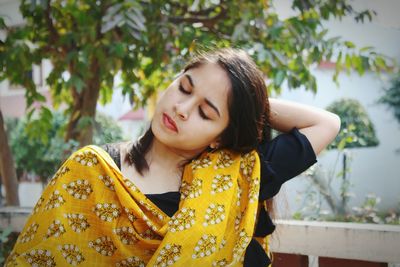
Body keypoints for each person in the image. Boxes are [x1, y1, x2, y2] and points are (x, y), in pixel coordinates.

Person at [6, 48, 340, 267]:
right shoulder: (89, 171)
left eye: (205, 112)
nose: (180, 110)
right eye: (184, 87)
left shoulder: (233, 180)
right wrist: (220, 99)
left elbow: (326, 124)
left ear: (221, 136)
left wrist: (244, 102)